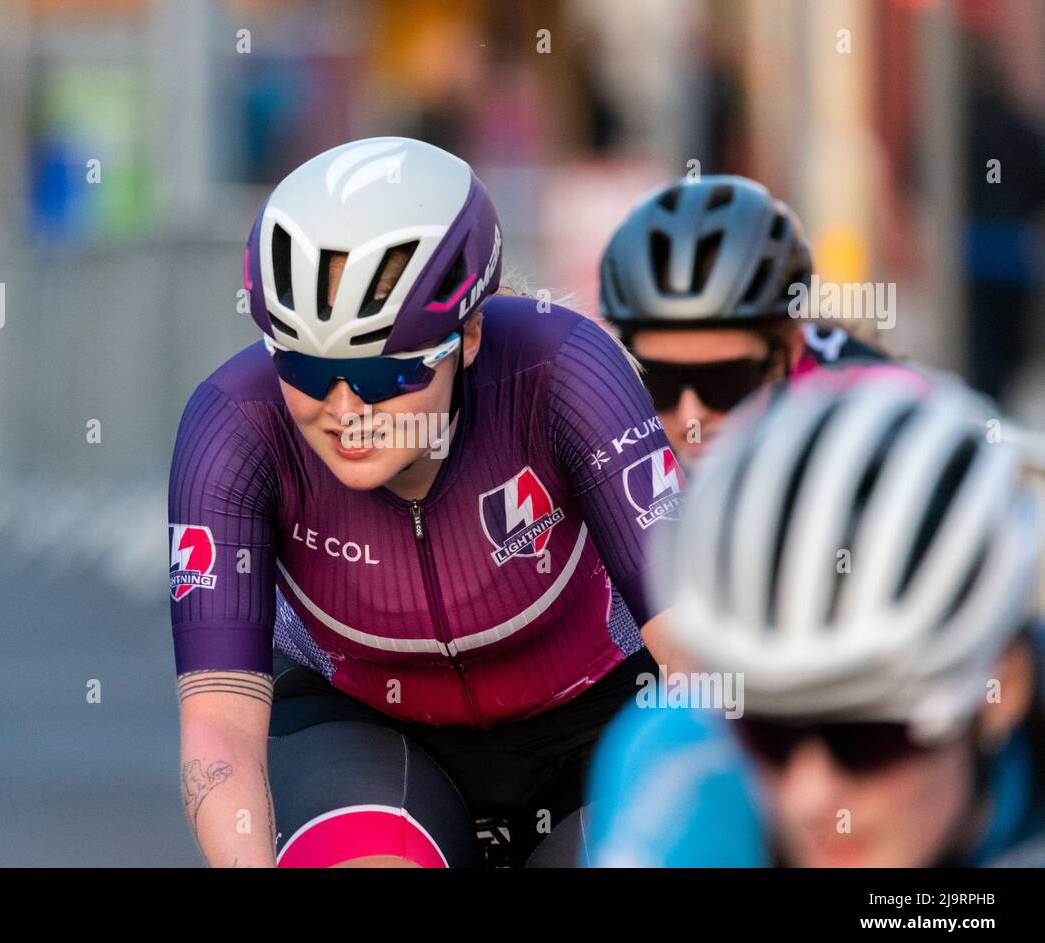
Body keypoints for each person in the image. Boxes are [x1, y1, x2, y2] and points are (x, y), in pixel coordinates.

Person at [169, 136, 677, 867]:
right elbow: (219, 725)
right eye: (309, 368)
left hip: (594, 724)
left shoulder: (563, 370)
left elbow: (700, 656)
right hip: (367, 729)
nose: (345, 409)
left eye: (385, 376)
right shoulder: (234, 424)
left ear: (468, 334)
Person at [646, 372, 1045, 866]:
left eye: (865, 740)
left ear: (1002, 688)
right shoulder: (674, 769)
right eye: (768, 735)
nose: (806, 798)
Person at [598, 174, 884, 471]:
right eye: (658, 383)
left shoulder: (868, 424)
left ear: (792, 352)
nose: (691, 418)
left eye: (726, 383)